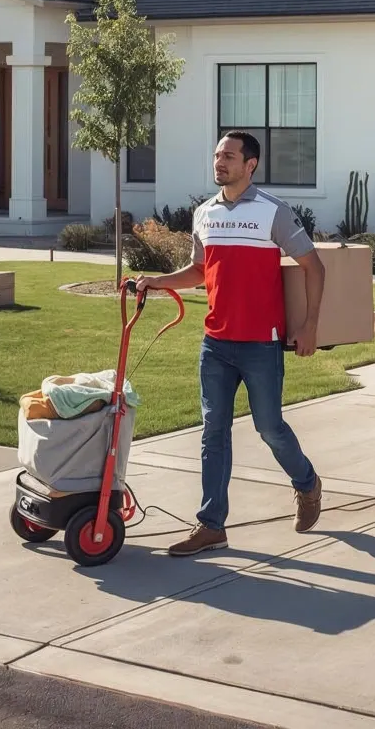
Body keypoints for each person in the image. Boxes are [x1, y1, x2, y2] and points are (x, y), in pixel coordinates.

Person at [136, 131, 325, 555]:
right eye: (218, 155)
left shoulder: (273, 212)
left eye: (229, 156)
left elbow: (315, 267)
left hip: (261, 343)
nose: (220, 162)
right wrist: (156, 280)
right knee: (213, 432)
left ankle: (307, 483)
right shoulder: (204, 213)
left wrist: (310, 325)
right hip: (215, 343)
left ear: (250, 164)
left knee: (269, 428)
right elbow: (199, 271)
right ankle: (211, 525)